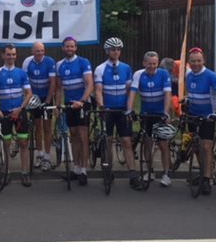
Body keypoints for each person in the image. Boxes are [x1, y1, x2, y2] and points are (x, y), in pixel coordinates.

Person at [94, 37, 139, 188]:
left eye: (118, 49)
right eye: (113, 49)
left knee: (126, 141)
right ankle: (109, 171)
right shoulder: (100, 69)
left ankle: (133, 174)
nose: (116, 52)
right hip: (108, 110)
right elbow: (98, 90)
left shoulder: (126, 68)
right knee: (108, 141)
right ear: (107, 51)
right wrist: (101, 106)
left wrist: (129, 108)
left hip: (122, 110)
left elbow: (128, 91)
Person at [0, 44, 33, 187]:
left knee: (24, 143)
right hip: (5, 113)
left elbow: (29, 93)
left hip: (19, 111)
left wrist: (20, 108)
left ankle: (24, 173)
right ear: (3, 55)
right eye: (8, 54)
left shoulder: (21, 73)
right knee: (6, 144)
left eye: (13, 54)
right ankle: (7, 172)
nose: (11, 57)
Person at [185, 47, 216, 195]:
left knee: (207, 147)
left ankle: (207, 179)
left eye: (198, 61)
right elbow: (189, 93)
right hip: (192, 115)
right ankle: (203, 172)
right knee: (196, 147)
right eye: (193, 61)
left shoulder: (211, 76)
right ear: (189, 63)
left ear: (203, 61)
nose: (196, 63)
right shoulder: (189, 76)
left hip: (208, 116)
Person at [127, 51, 173, 187]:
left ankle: (166, 173)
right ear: (144, 63)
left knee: (163, 144)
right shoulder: (138, 74)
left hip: (160, 113)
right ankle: (150, 170)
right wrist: (129, 110)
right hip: (146, 113)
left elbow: (168, 94)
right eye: (149, 64)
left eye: (154, 64)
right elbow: (132, 93)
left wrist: (166, 112)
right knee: (147, 143)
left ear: (158, 63)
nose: (152, 67)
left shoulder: (164, 74)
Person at [55, 36, 94, 186]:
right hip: (69, 104)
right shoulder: (59, 65)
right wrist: (58, 106)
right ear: (62, 48)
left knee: (83, 137)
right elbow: (59, 89)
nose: (69, 49)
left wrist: (82, 101)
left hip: (83, 103)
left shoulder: (83, 62)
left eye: (72, 46)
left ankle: (84, 170)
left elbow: (90, 84)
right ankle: (76, 168)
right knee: (74, 135)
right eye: (67, 46)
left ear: (76, 48)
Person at [21, 41, 56, 171]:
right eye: (37, 51)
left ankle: (47, 157)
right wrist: (29, 98)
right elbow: (25, 82)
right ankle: (39, 155)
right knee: (37, 127)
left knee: (47, 127)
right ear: (32, 51)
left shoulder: (49, 61)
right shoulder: (27, 62)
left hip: (46, 97)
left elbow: (53, 83)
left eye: (42, 50)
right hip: (34, 98)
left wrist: (48, 100)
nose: (40, 53)